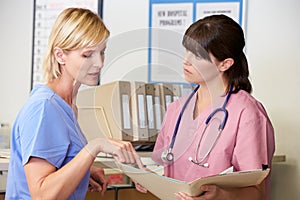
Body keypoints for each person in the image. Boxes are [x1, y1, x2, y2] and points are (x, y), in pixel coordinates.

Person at [5, 8, 142, 199]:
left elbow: (57, 163)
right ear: (60, 55)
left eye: (102, 52)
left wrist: (85, 169)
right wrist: (94, 148)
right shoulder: (45, 107)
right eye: (87, 55)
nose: (99, 63)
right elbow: (42, 194)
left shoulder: (67, 106)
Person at [136, 15, 275, 199]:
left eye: (198, 55)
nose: (186, 60)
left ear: (225, 64)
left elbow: (258, 191)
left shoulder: (247, 114)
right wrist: (150, 178)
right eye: (186, 51)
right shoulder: (177, 109)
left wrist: (220, 195)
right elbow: (170, 169)